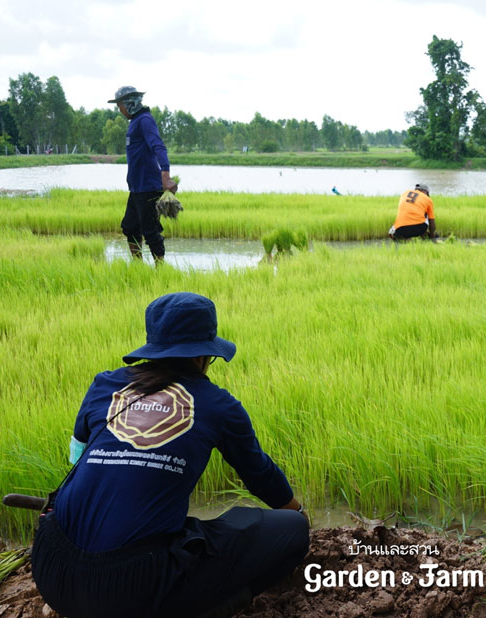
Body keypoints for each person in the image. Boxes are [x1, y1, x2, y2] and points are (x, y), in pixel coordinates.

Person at [31, 292, 309, 618]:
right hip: (130, 589)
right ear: (205, 355)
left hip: (50, 567)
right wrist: (299, 511)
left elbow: (77, 456)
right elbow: (260, 475)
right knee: (291, 531)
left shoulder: (104, 384)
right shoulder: (218, 404)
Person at [110, 86, 177, 264]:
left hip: (148, 187)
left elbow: (158, 146)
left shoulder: (145, 120)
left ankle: (160, 268)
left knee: (150, 231)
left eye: (120, 106)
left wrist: (165, 175)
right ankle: (138, 267)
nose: (120, 110)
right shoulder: (135, 122)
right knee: (130, 228)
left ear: (129, 104)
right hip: (137, 188)